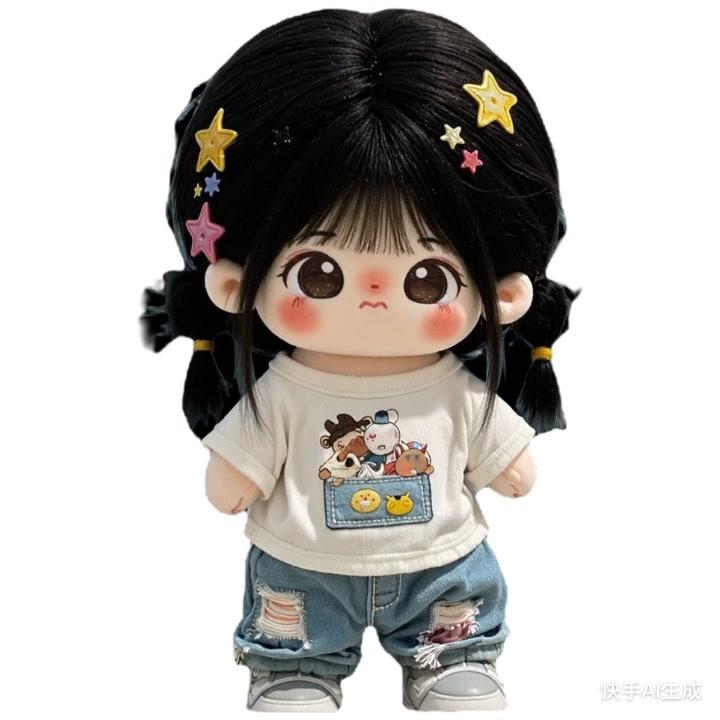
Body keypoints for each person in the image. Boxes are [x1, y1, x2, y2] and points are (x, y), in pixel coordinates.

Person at [140, 7, 579, 712]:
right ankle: (296, 669)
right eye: (319, 274)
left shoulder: (457, 391)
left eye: (427, 279)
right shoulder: (281, 391)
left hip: (441, 569)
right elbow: (232, 479)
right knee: (293, 638)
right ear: (233, 283)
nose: (374, 296)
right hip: (304, 567)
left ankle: (452, 658)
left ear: (503, 295)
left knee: (454, 630)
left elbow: (512, 470)